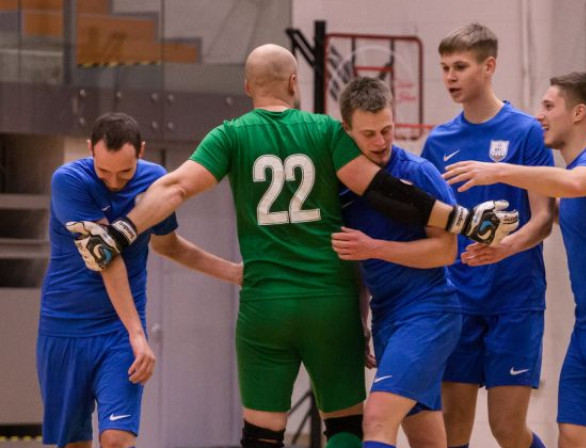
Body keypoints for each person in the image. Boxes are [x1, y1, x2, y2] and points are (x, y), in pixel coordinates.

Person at [67, 44, 518, 448]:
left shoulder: (230, 135)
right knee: (347, 426)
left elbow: (177, 187)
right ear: (294, 82)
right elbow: (382, 190)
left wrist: (122, 231)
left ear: (247, 87)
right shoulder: (326, 131)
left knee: (262, 432)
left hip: (266, 304)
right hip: (330, 302)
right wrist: (467, 221)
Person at [443, 72, 586, 448]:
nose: (540, 115)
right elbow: (545, 216)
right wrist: (505, 245)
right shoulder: (565, 176)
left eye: (549, 106)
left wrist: (497, 170)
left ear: (579, 113)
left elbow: (574, 184)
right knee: (572, 438)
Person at [38, 112, 242, 448]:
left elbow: (168, 245)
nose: (115, 182)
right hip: (65, 327)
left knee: (117, 438)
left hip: (118, 331)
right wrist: (138, 332)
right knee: (72, 443)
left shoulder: (154, 181)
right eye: (104, 172)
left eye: (125, 173)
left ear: (141, 152)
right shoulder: (68, 181)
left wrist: (233, 272)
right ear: (90, 149)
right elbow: (105, 257)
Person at [420, 23, 554, 448]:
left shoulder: (526, 132)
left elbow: (544, 217)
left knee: (506, 428)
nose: (450, 77)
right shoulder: (439, 141)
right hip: (458, 300)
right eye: (444, 68)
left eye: (460, 66)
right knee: (452, 429)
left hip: (515, 299)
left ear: (489, 66)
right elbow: (431, 221)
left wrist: (505, 248)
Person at [332, 77, 462, 448]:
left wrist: (375, 247)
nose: (380, 142)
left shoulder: (418, 173)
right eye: (369, 134)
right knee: (426, 440)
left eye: (387, 130)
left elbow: (446, 251)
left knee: (375, 421)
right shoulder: (345, 184)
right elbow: (350, 263)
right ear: (347, 130)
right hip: (387, 316)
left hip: (430, 312)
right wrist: (361, 323)